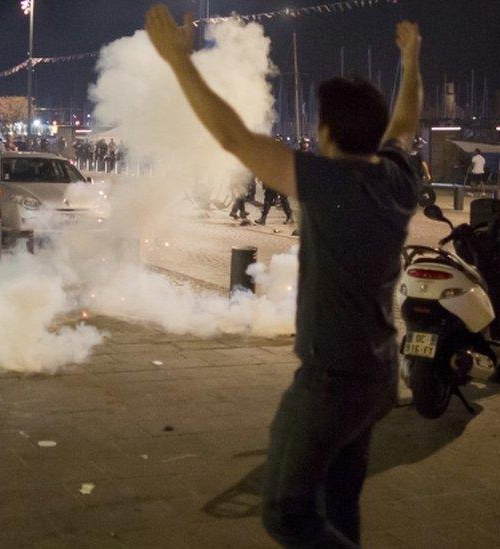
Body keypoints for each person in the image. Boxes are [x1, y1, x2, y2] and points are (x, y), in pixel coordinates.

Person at [146, 6, 423, 546]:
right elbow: (406, 123)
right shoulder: (397, 177)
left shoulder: (331, 182)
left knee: (285, 512)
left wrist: (179, 62)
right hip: (379, 371)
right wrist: (411, 61)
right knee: (341, 503)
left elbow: (233, 138)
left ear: (326, 132)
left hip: (331, 381)